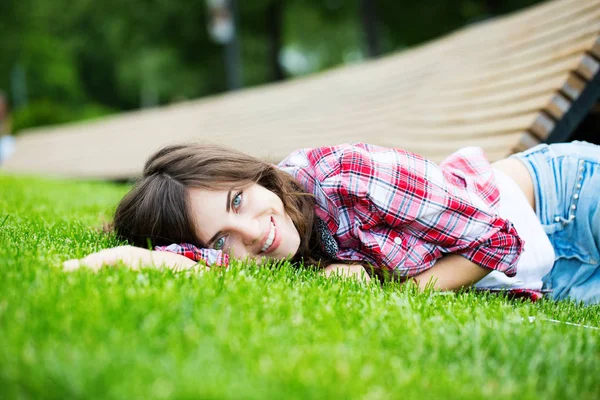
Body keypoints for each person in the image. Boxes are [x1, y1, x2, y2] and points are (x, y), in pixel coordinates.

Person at [64, 141, 600, 305]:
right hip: (548, 279)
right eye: (223, 240)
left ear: (250, 175)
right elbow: (190, 265)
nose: (254, 233)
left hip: (562, 202)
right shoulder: (260, 255)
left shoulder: (343, 175)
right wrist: (103, 260)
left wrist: (396, 291)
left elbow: (495, 239)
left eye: (236, 202)